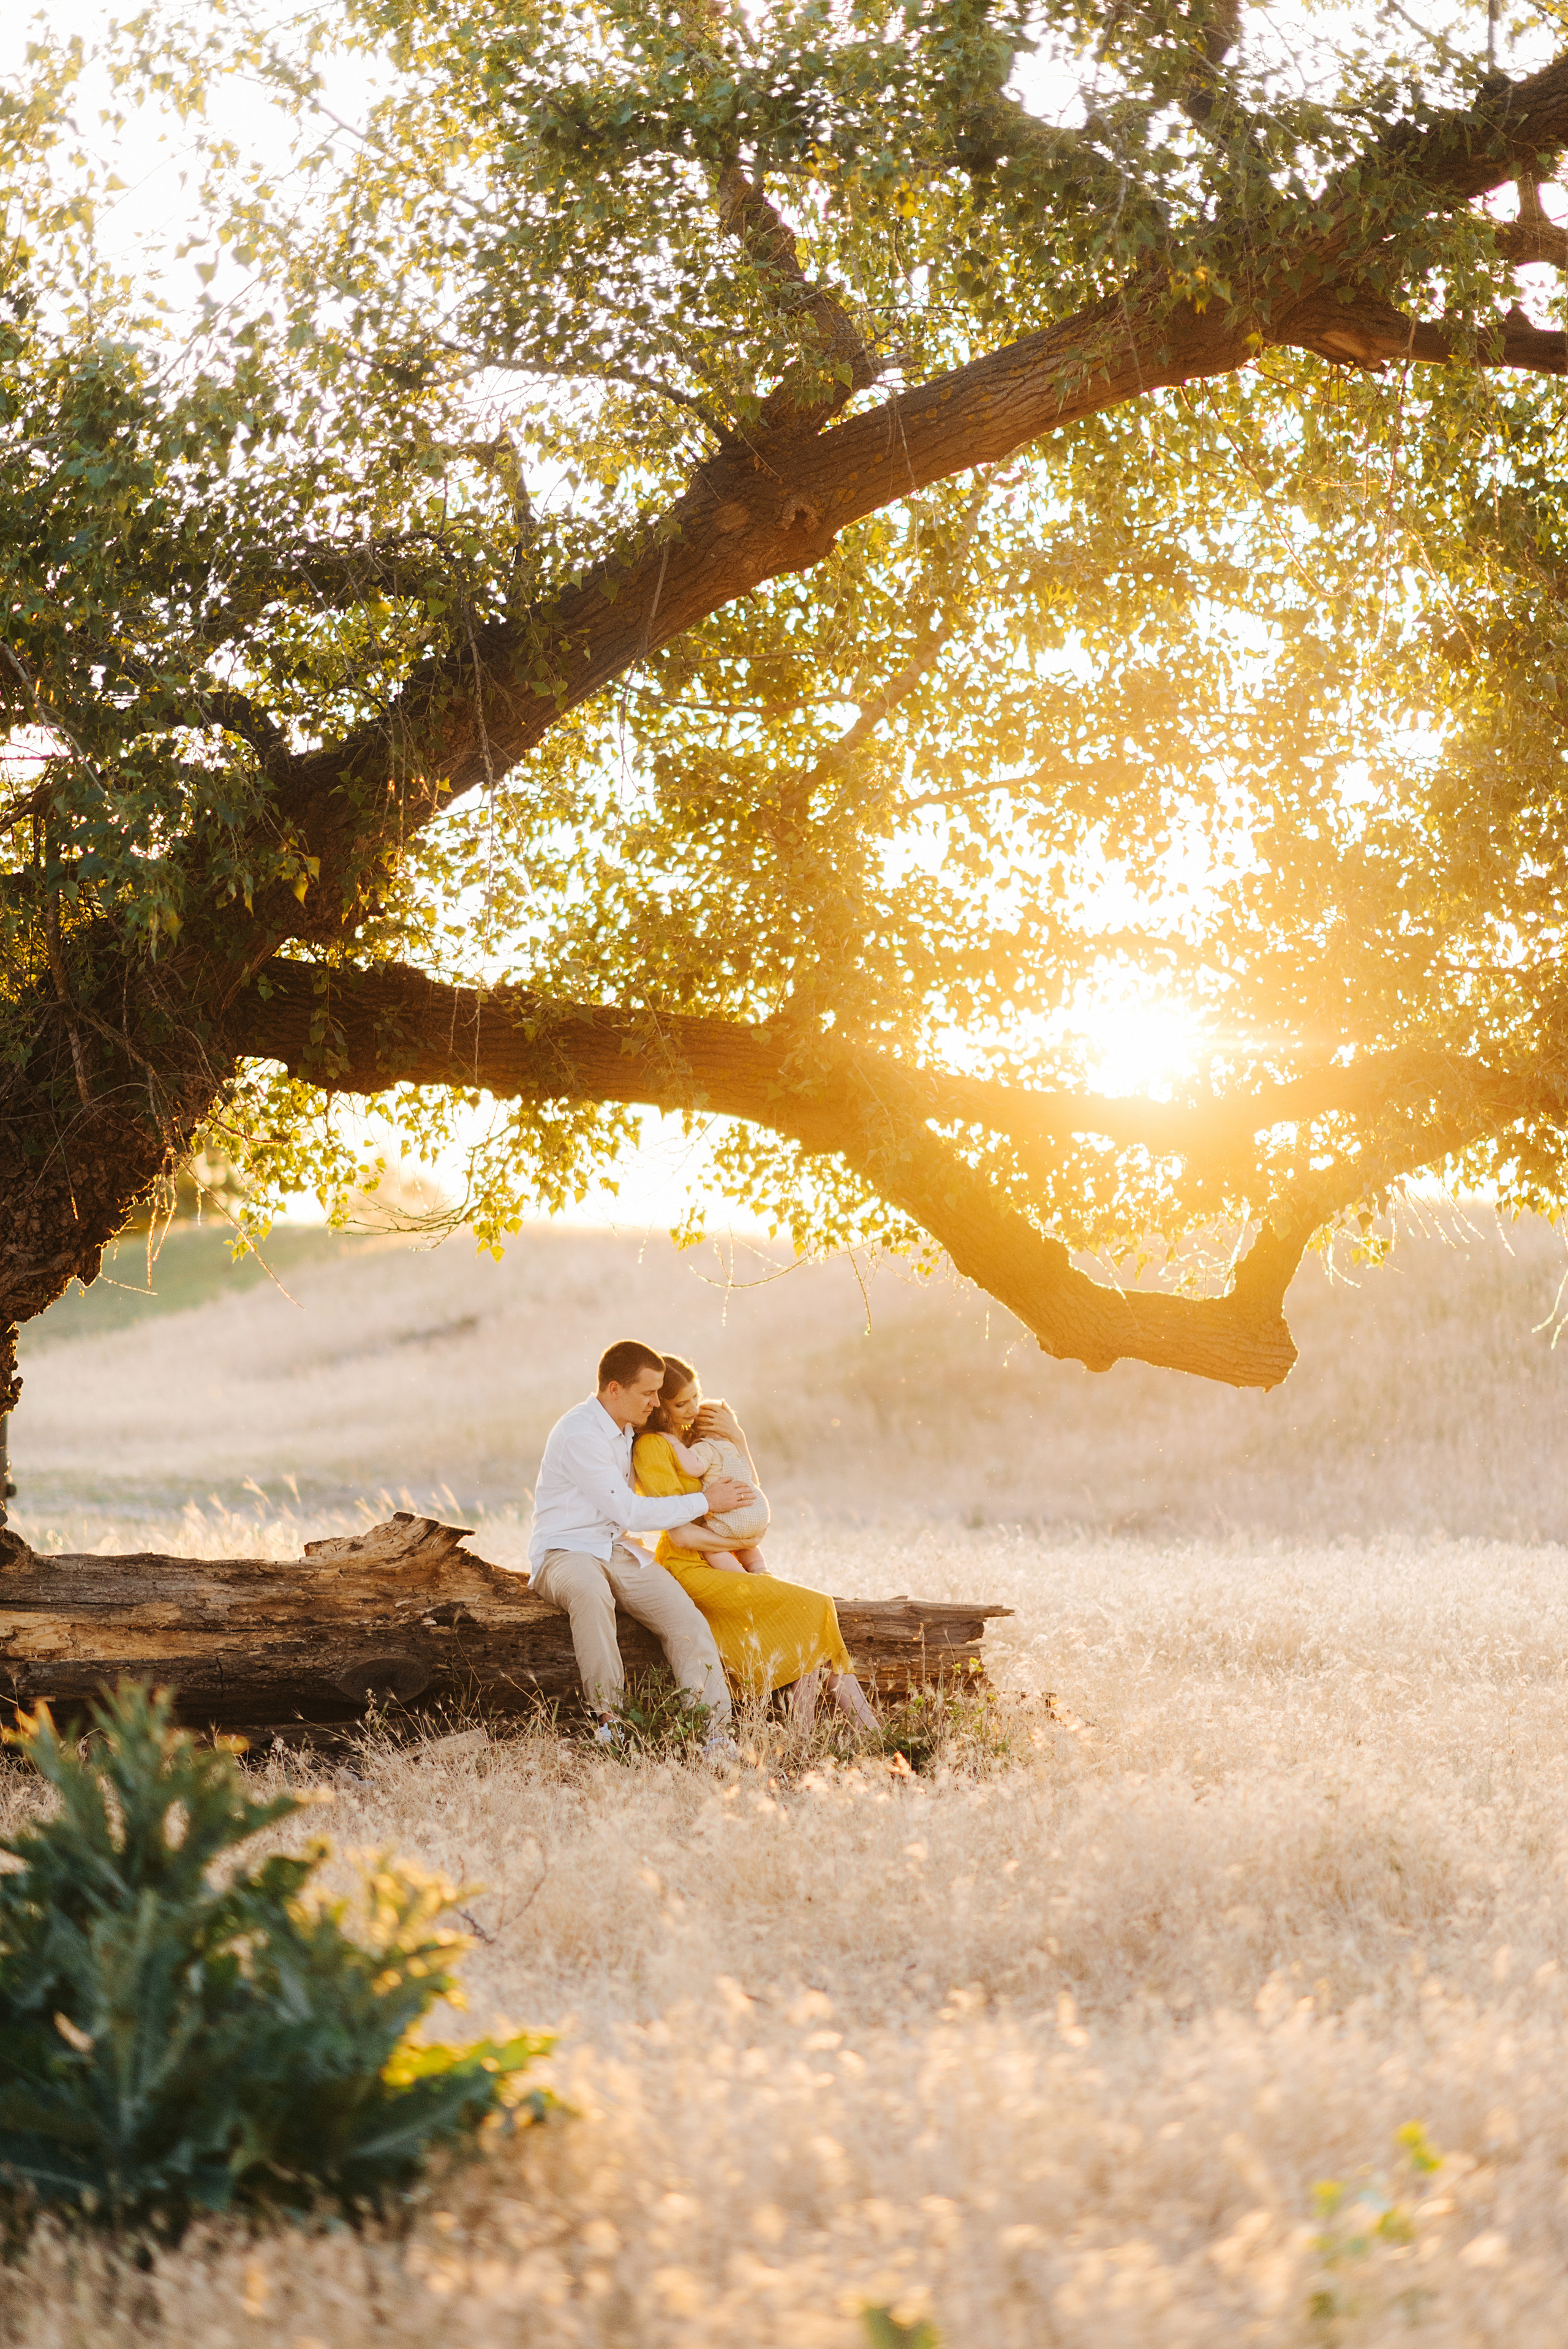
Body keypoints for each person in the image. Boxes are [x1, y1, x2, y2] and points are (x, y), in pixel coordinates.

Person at [528, 1339, 758, 1755]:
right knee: (591, 1593)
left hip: (617, 1549)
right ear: (614, 1389)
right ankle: (610, 1723)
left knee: (685, 1618)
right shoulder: (580, 1432)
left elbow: (688, 1449)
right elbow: (629, 1510)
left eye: (657, 1392)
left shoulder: (632, 1429)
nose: (656, 1402)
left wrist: (734, 1435)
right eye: (648, 1393)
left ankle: (714, 1733)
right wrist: (707, 1502)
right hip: (565, 1550)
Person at [632, 1355, 878, 1732]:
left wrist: (738, 1439)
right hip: (688, 1567)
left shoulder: (693, 1437)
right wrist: (743, 1538)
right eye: (681, 1404)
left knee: (808, 1619)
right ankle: (844, 1731)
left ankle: (840, 1732)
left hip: (722, 1556)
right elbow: (680, 1534)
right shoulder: (653, 1446)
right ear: (659, 1406)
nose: (693, 1409)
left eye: (696, 1396)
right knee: (816, 1607)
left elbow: (748, 1489)